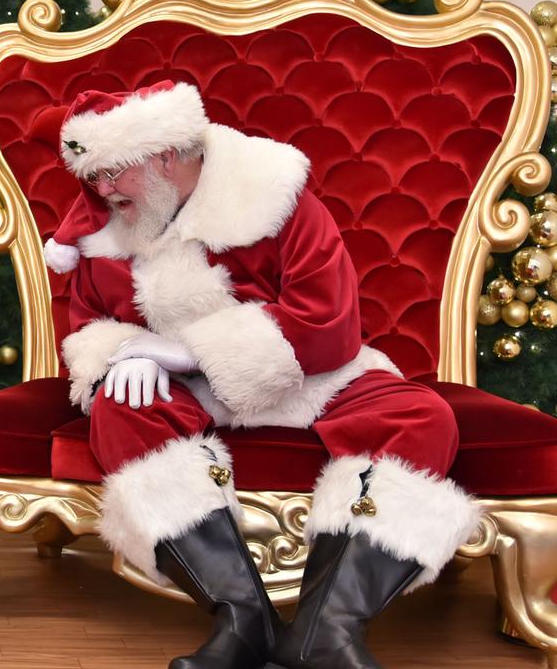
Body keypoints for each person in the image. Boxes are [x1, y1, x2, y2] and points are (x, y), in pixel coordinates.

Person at [46, 81, 478, 669]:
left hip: (306, 376)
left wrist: (192, 350)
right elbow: (84, 324)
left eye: (114, 172)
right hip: (184, 394)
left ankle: (326, 633)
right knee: (121, 411)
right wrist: (123, 350)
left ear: (166, 155)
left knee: (422, 417)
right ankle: (241, 622)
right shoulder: (104, 229)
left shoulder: (275, 197)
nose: (102, 189)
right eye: (93, 176)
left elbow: (329, 323)